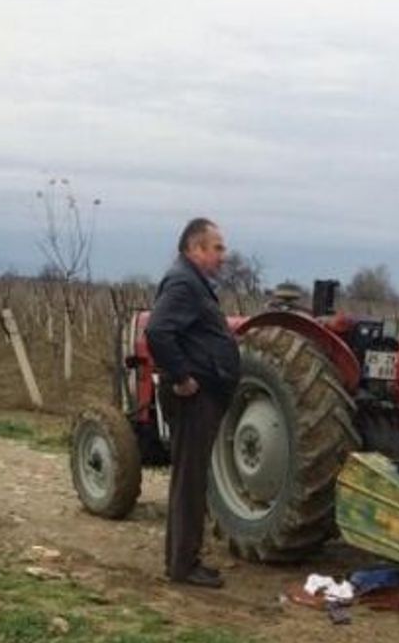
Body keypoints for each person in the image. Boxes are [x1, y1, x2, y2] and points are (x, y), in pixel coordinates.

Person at [146, 218, 241, 589]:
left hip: (205, 397)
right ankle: (183, 564)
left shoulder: (192, 283)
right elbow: (157, 330)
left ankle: (184, 559)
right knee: (190, 478)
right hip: (194, 399)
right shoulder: (184, 282)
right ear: (195, 248)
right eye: (217, 248)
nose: (223, 255)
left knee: (193, 476)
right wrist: (183, 377)